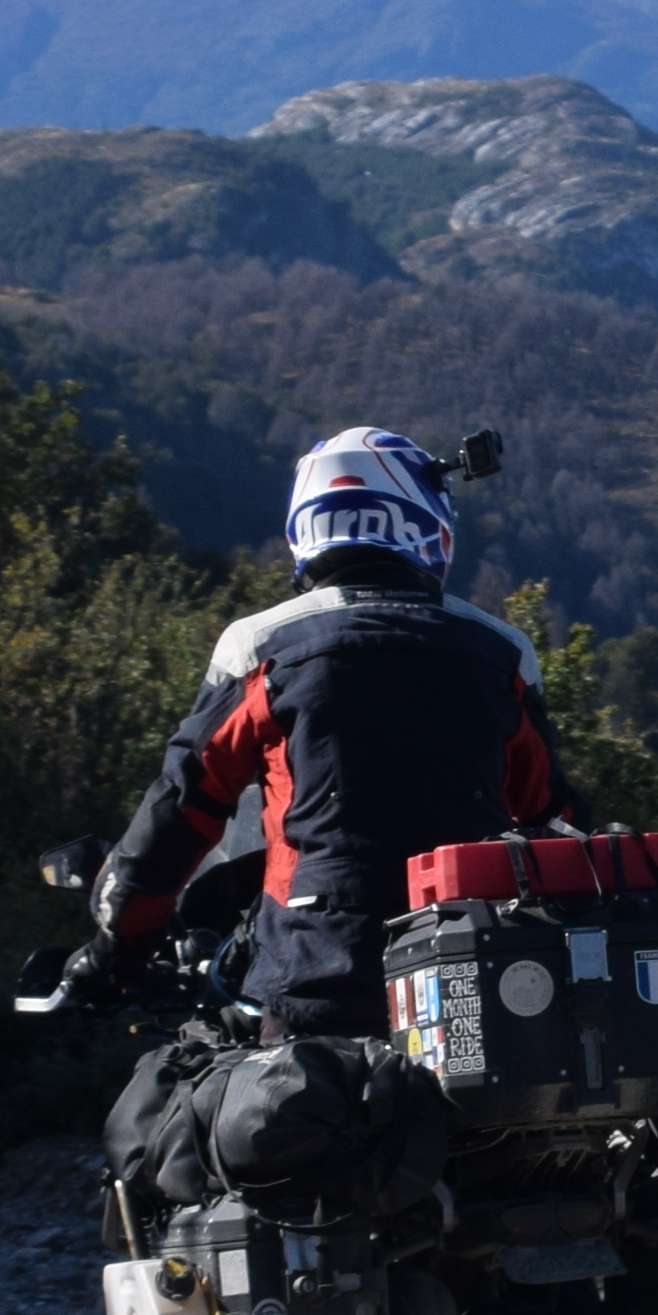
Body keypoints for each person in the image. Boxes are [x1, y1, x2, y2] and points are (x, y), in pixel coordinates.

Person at [91, 426, 567, 1034]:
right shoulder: (503, 653)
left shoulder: (259, 647)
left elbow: (181, 811)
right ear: (428, 521)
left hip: (315, 978)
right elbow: (550, 817)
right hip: (474, 977)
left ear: (306, 527)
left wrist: (118, 949)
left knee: (186, 1107)